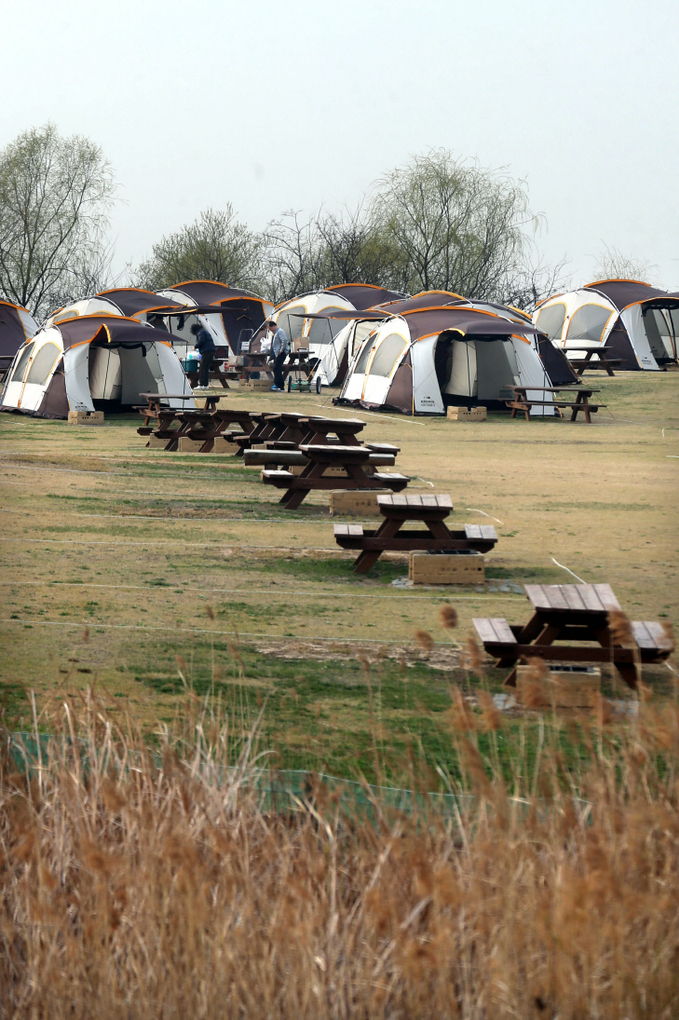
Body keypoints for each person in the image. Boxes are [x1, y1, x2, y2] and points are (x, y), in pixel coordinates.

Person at [190, 321, 216, 388]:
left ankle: (202, 385)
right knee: (206, 368)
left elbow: (202, 341)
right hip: (211, 351)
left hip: (206, 351)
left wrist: (196, 346)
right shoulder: (204, 331)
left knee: (202, 368)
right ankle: (205, 385)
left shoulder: (200, 333)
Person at [267, 319, 289, 391]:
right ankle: (280, 386)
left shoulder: (280, 331)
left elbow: (284, 340)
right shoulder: (275, 333)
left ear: (273, 326)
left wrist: (281, 350)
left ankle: (278, 385)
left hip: (281, 353)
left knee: (276, 368)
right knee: (277, 368)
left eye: (270, 329)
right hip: (276, 354)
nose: (270, 330)